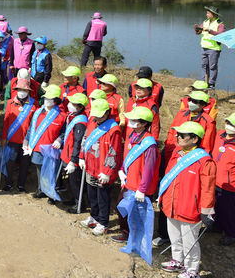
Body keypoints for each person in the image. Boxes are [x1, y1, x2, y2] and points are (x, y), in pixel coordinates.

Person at [159, 122, 215, 278]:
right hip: (171, 206)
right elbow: (169, 178)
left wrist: (206, 211)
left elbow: (208, 189)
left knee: (190, 241)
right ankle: (177, 260)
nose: (178, 137)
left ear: (195, 139)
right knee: (174, 236)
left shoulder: (204, 161)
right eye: (178, 134)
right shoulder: (177, 153)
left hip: (190, 209)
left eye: (182, 135)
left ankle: (191, 269)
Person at [111, 107, 160, 244]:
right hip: (128, 182)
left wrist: (142, 189)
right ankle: (126, 234)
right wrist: (121, 170)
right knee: (122, 208)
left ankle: (137, 240)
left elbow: (149, 169)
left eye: (134, 119)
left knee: (138, 215)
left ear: (143, 123)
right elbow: (127, 157)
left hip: (139, 186)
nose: (130, 121)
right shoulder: (132, 136)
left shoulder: (149, 144)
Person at [78, 98, 123, 236]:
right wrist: (81, 156)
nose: (98, 117)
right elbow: (85, 139)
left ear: (108, 113)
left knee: (102, 197)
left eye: (101, 115)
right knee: (92, 195)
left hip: (103, 170)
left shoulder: (113, 129)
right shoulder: (92, 122)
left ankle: (103, 223)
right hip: (90, 165)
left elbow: (114, 152)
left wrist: (108, 172)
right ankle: (94, 217)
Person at [23, 85, 65, 199]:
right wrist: (26, 140)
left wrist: (60, 139)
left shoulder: (62, 116)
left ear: (55, 100)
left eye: (49, 99)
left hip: (52, 148)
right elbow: (31, 128)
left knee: (52, 170)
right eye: (45, 98)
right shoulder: (38, 112)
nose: (46, 101)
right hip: (37, 147)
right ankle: (41, 189)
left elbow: (64, 132)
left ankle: (52, 193)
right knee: (39, 168)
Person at [1, 78, 37, 192]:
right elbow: (6, 121)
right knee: (9, 162)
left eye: (24, 89)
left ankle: (21, 184)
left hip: (26, 140)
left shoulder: (34, 105)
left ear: (28, 91)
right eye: (19, 89)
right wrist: (3, 137)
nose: (22, 92)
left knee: (25, 164)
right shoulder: (10, 103)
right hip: (12, 139)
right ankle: (8, 183)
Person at [59, 93, 89, 213]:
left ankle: (79, 204)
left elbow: (78, 143)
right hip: (68, 154)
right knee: (71, 181)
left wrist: (73, 160)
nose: (70, 105)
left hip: (74, 157)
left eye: (73, 104)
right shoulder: (73, 116)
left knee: (75, 181)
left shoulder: (80, 122)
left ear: (80, 107)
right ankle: (74, 199)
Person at [213, 113, 235, 246]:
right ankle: (218, 226)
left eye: (232, 125)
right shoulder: (219, 135)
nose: (229, 126)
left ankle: (231, 234)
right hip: (214, 180)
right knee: (217, 206)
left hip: (229, 186)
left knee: (228, 211)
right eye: (228, 122)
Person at [194, 5, 225, 88]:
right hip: (204, 47)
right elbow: (199, 32)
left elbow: (221, 35)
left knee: (212, 67)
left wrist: (210, 31)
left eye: (208, 13)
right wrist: (197, 29)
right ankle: (203, 82)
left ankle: (211, 84)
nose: (206, 14)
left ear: (213, 14)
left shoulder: (220, 24)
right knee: (204, 66)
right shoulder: (205, 21)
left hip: (214, 49)